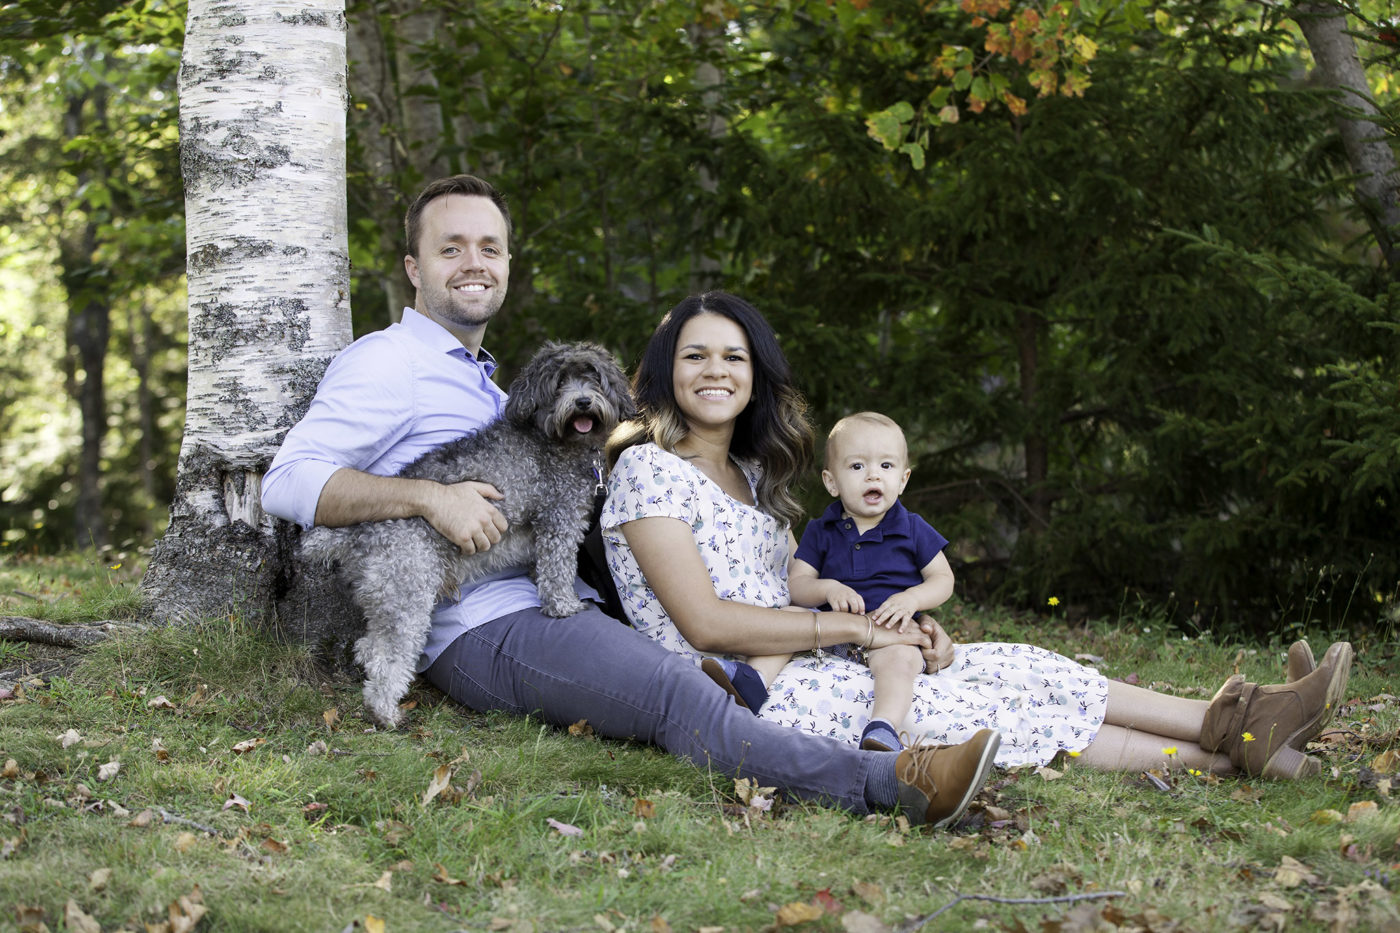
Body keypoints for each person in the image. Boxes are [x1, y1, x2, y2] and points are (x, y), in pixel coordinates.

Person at [260, 173, 1002, 830]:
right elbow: (287, 481)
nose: (474, 262)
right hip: (484, 625)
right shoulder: (388, 361)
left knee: (709, 672)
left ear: (509, 264)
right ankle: (891, 782)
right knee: (680, 696)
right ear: (414, 267)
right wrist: (429, 497)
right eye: (451, 247)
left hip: (555, 598)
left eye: (490, 246)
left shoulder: (486, 381)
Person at [600, 290, 1353, 780]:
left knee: (1011, 661)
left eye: (733, 355)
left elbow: (797, 595)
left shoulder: (753, 482)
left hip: (807, 657)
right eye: (695, 354)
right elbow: (705, 621)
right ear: (665, 371)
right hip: (743, 694)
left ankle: (1245, 723)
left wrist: (902, 627)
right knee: (982, 706)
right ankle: (1234, 754)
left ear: (755, 375)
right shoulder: (648, 471)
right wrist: (855, 635)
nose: (716, 370)